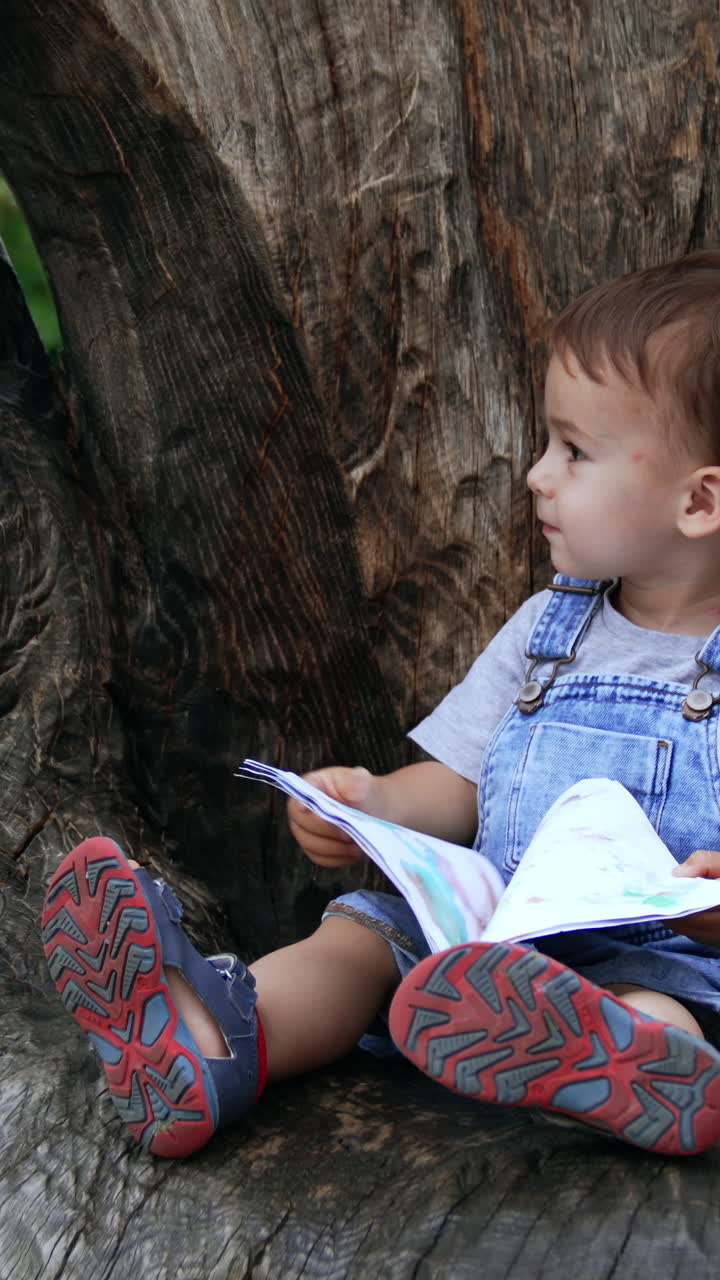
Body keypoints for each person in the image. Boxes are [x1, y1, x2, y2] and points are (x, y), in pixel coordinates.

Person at [42, 250, 720, 1159]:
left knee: (658, 996)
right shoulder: (548, 630)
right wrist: (377, 805)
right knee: (366, 933)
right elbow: (459, 779)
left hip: (667, 957)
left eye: (574, 451)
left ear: (700, 499)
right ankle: (207, 1039)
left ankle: (630, 1066)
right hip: (491, 948)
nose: (535, 475)